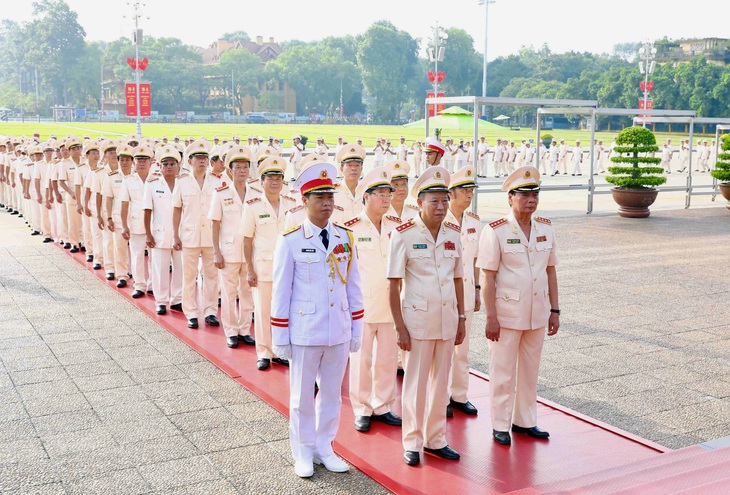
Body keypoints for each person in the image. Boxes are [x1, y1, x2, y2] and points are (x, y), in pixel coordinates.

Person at [271, 162, 364, 478]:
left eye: (329, 196)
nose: (327, 203)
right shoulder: (291, 240)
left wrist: (356, 329)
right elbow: (281, 292)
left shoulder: (345, 238)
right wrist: (279, 336)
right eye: (319, 197)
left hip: (337, 330)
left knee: (332, 396)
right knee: (301, 398)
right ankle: (303, 452)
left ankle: (326, 447)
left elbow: (354, 287)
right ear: (304, 200)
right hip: (306, 331)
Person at [387, 165, 466, 467]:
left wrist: (461, 318)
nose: (441, 206)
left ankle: (436, 439)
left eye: (445, 200)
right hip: (416, 323)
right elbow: (393, 284)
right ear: (419, 203)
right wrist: (399, 327)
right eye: (434, 201)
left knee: (441, 385)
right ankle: (412, 440)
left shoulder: (453, 233)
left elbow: (458, 278)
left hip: (447, 321)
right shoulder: (404, 235)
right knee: (415, 385)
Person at [476, 165, 560, 446]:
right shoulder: (495, 231)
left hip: (537, 313)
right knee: (502, 372)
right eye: (524, 195)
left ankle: (525, 420)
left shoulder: (545, 228)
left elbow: (550, 270)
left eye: (534, 194)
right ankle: (500, 424)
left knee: (529, 371)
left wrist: (555, 310)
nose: (531, 200)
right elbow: (487, 276)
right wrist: (491, 317)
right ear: (510, 197)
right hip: (507, 315)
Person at [345, 166, 402, 433]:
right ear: (366, 196)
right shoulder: (351, 228)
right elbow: (344, 270)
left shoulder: (397, 227)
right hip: (363, 305)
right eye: (380, 193)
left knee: (388, 359)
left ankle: (383, 405)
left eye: (388, 193)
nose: (386, 199)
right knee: (361, 359)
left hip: (391, 304)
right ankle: (362, 408)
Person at [241, 155, 297, 361]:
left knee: (284, 311)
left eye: (278, 178)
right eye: (270, 178)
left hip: (288, 268)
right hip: (263, 268)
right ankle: (264, 352)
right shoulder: (253, 206)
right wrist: (249, 268)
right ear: (261, 181)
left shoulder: (292, 204)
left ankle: (280, 350)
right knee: (264, 311)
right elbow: (246, 240)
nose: (275, 182)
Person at [209, 145, 257, 349]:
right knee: (228, 294)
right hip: (228, 251)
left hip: (250, 252)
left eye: (245, 167)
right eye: (238, 167)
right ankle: (231, 331)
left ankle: (245, 330)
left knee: (247, 292)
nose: (242, 171)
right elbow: (215, 223)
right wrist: (216, 252)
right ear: (230, 171)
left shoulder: (256, 193)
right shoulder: (220, 193)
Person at [445, 166, 482, 418]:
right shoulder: (439, 219)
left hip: (467, 292)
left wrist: (478, 290)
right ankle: (442, 396)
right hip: (445, 295)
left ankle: (459, 395)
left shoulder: (474, 222)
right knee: (445, 349)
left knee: (463, 350)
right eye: (464, 190)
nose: (469, 195)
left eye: (471, 190)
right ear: (451, 193)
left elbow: (476, 260)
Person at [172, 139, 220, 329]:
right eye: (197, 158)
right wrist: (175, 235)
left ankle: (210, 311)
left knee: (211, 276)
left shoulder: (217, 182)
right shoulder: (182, 182)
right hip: (190, 235)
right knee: (189, 276)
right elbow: (176, 209)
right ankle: (191, 312)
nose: (201, 161)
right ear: (189, 161)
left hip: (210, 236)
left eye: (204, 158)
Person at [143, 145, 183, 315]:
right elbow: (147, 209)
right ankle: (161, 301)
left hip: (182, 233)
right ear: (159, 166)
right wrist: (148, 233)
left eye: (172, 163)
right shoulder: (152, 184)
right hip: (159, 233)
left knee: (180, 268)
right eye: (165, 163)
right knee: (160, 269)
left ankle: (177, 299)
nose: (169, 166)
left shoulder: (185, 183)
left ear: (178, 166)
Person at [120, 144, 152, 299]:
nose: (141, 163)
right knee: (137, 255)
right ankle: (139, 285)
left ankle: (153, 284)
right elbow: (124, 203)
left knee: (155, 256)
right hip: (136, 223)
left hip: (155, 224)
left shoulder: (157, 179)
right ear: (134, 162)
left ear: (151, 161)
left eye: (145, 160)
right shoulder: (128, 180)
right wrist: (124, 225)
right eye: (139, 160)